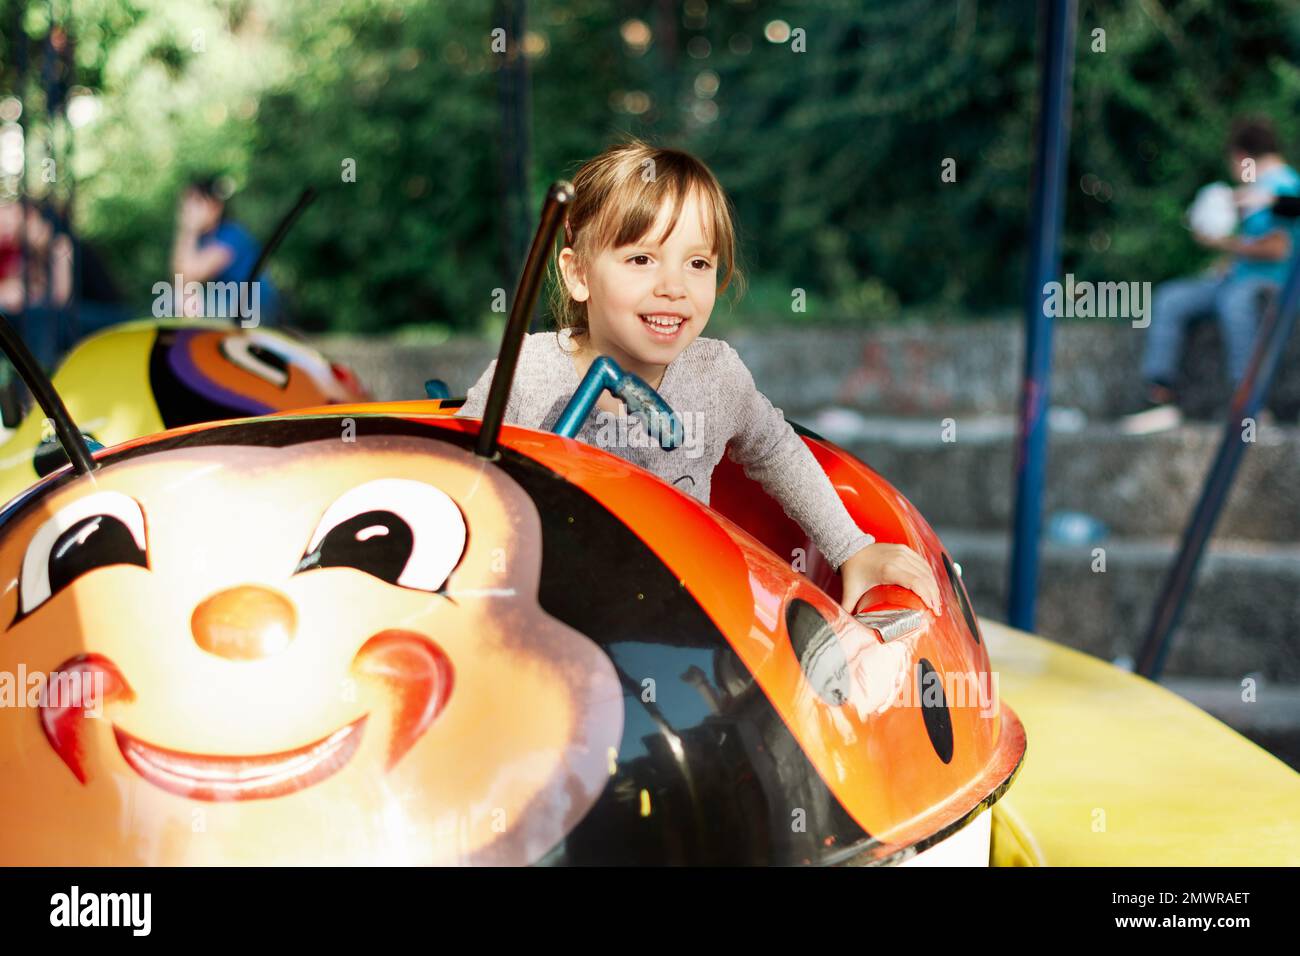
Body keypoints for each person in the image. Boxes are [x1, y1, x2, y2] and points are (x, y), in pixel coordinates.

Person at [457, 139, 942, 615]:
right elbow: (456, 481)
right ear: (578, 273)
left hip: (684, 622)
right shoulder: (524, 373)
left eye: (697, 263)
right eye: (641, 259)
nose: (673, 287)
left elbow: (776, 449)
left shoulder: (716, 374)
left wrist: (852, 548)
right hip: (551, 621)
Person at [1121, 117, 1300, 433]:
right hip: (1239, 278)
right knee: (1172, 298)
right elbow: (1252, 244)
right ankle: (1160, 395)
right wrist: (1227, 260)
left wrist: (1221, 242)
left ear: (1241, 155)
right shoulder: (1255, 187)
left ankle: (1248, 402)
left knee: (1235, 303)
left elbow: (1278, 250)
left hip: (1270, 284)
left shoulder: (1282, 186)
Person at [170, 176, 280, 326]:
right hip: (233, 307)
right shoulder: (206, 238)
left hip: (256, 311)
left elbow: (188, 274)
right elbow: (181, 278)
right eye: (186, 202)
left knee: (180, 299)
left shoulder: (231, 235)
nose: (188, 209)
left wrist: (189, 229)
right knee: (181, 297)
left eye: (196, 202)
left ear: (215, 207)